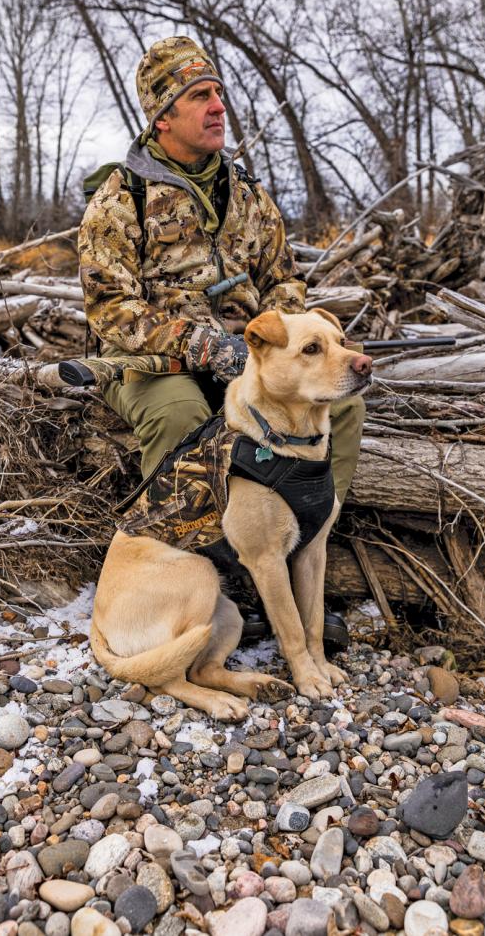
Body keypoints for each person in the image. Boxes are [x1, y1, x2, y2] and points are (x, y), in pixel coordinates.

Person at [78, 36, 366, 636]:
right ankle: (223, 579)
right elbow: (110, 312)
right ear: (163, 117)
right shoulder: (119, 199)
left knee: (343, 402)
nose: (217, 107)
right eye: (199, 97)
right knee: (185, 414)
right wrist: (198, 344)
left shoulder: (248, 194)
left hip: (250, 358)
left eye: (218, 94)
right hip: (153, 365)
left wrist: (279, 334)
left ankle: (299, 560)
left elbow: (284, 280)